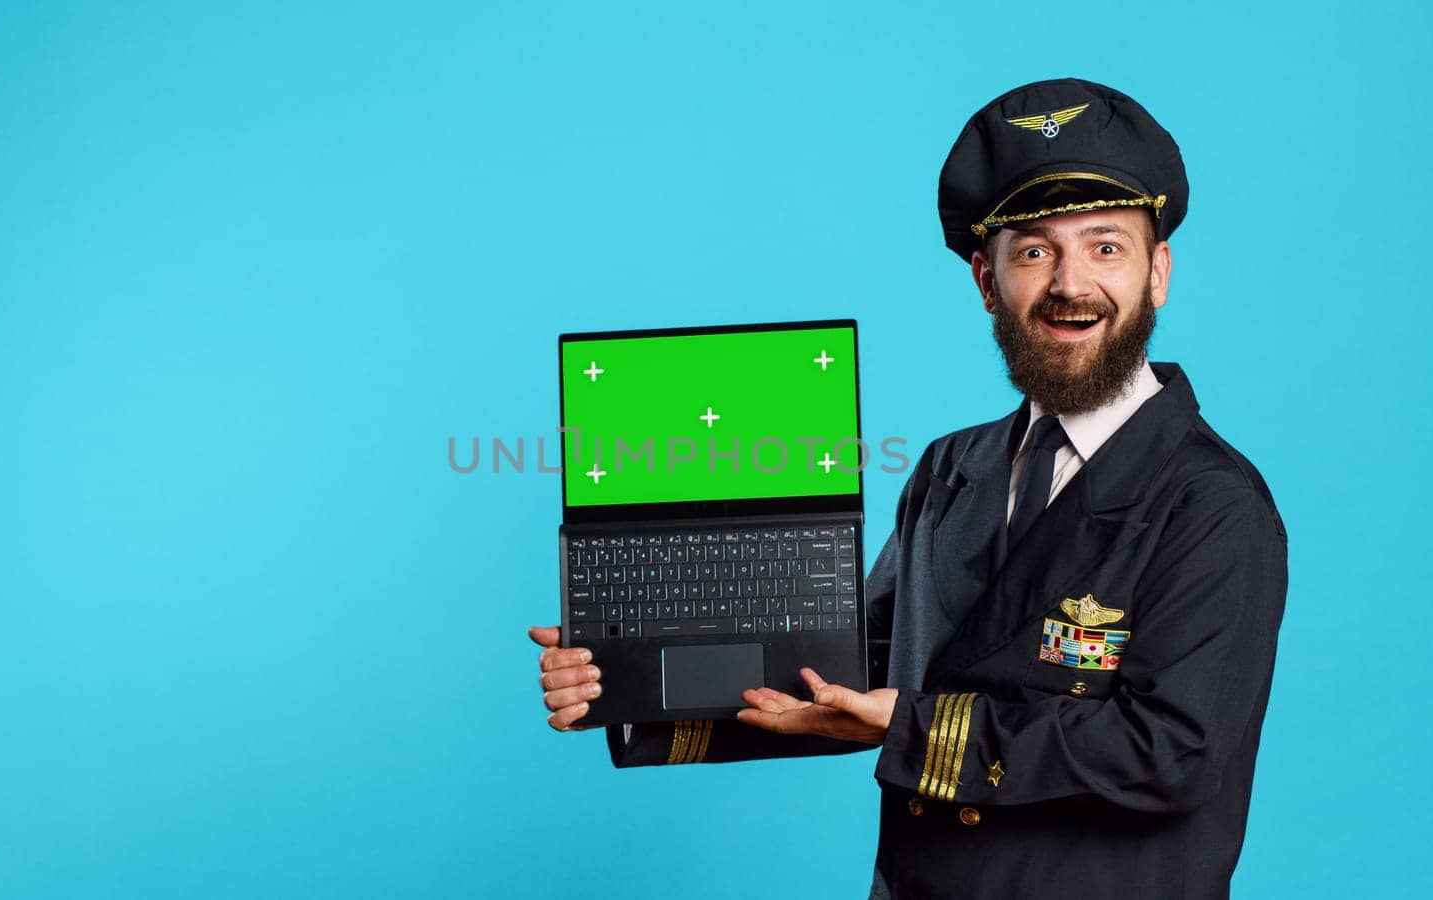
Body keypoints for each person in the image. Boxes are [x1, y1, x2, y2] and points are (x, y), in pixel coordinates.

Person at [529, 78, 1286, 899]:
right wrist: (632, 686)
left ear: (1158, 271)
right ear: (986, 281)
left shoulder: (1213, 503)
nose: (1072, 284)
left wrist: (911, 727)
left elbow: (1170, 751)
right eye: (1034, 251)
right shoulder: (951, 467)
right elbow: (852, 670)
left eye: (1107, 246)